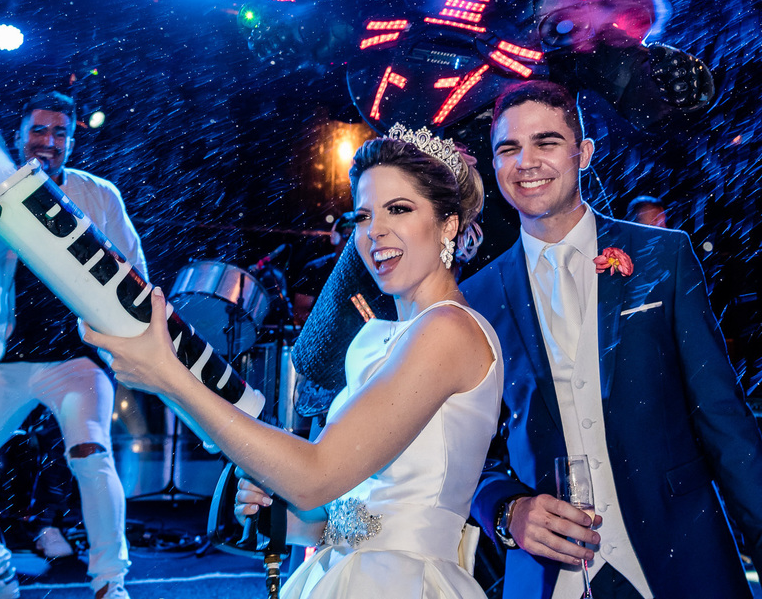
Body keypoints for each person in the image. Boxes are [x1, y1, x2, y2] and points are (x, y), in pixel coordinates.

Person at [86, 126, 502, 598]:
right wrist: (278, 508)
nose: (375, 231)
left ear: (448, 225)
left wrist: (169, 378)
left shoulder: (448, 329)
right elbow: (341, 513)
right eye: (363, 215)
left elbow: (314, 477)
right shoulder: (380, 340)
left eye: (399, 209)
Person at [461, 81, 762, 599]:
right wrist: (507, 510)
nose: (526, 161)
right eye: (509, 148)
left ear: (584, 153)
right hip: (548, 579)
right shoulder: (475, 297)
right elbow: (461, 452)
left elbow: (724, 422)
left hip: (682, 561)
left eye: (547, 142)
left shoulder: (661, 257)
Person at [0, 92, 145, 599]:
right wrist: (8, 211)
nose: (49, 142)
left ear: (70, 140)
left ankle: (111, 583)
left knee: (89, 452)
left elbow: (136, 272)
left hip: (79, 360)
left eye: (60, 133)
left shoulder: (98, 194)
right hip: (10, 362)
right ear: (18, 136)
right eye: (39, 131)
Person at [291, 211, 356, 325]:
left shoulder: (370, 270)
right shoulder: (315, 269)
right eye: (347, 236)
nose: (352, 242)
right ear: (335, 237)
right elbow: (299, 312)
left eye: (355, 237)